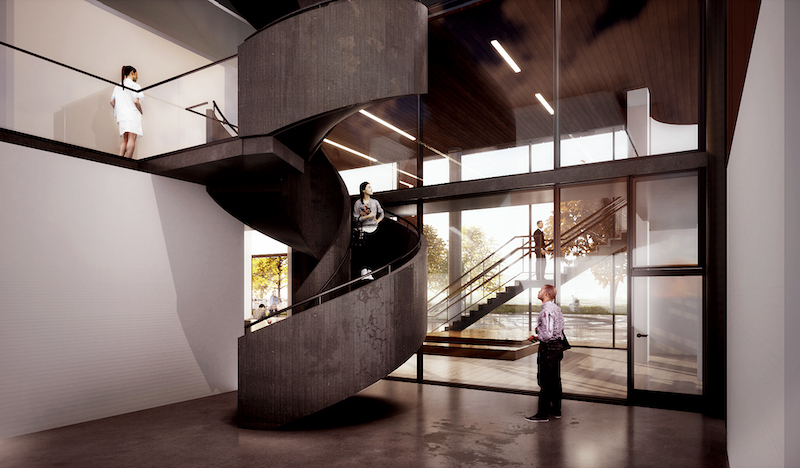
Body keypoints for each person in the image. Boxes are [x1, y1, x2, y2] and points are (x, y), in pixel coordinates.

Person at [525, 284, 565, 422]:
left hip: (548, 349)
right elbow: (556, 329)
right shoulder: (557, 309)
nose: (538, 291)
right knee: (555, 380)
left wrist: (537, 336)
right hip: (557, 347)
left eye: (541, 290)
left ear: (547, 294)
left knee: (545, 381)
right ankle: (556, 410)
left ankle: (542, 414)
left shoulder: (546, 311)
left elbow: (547, 334)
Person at [110, 65, 144, 159]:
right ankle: (128, 160)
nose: (137, 77)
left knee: (125, 139)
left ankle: (120, 159)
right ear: (132, 72)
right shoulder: (135, 85)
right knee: (132, 138)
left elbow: (112, 101)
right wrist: (141, 111)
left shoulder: (118, 86)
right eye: (136, 74)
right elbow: (136, 101)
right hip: (132, 114)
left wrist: (119, 110)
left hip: (122, 116)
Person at [352, 181, 384, 280]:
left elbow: (382, 213)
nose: (371, 189)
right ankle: (364, 271)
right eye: (369, 187)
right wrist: (367, 217)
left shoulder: (375, 202)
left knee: (373, 251)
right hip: (364, 229)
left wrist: (377, 221)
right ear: (363, 190)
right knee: (364, 251)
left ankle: (370, 271)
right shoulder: (358, 203)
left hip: (374, 229)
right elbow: (355, 219)